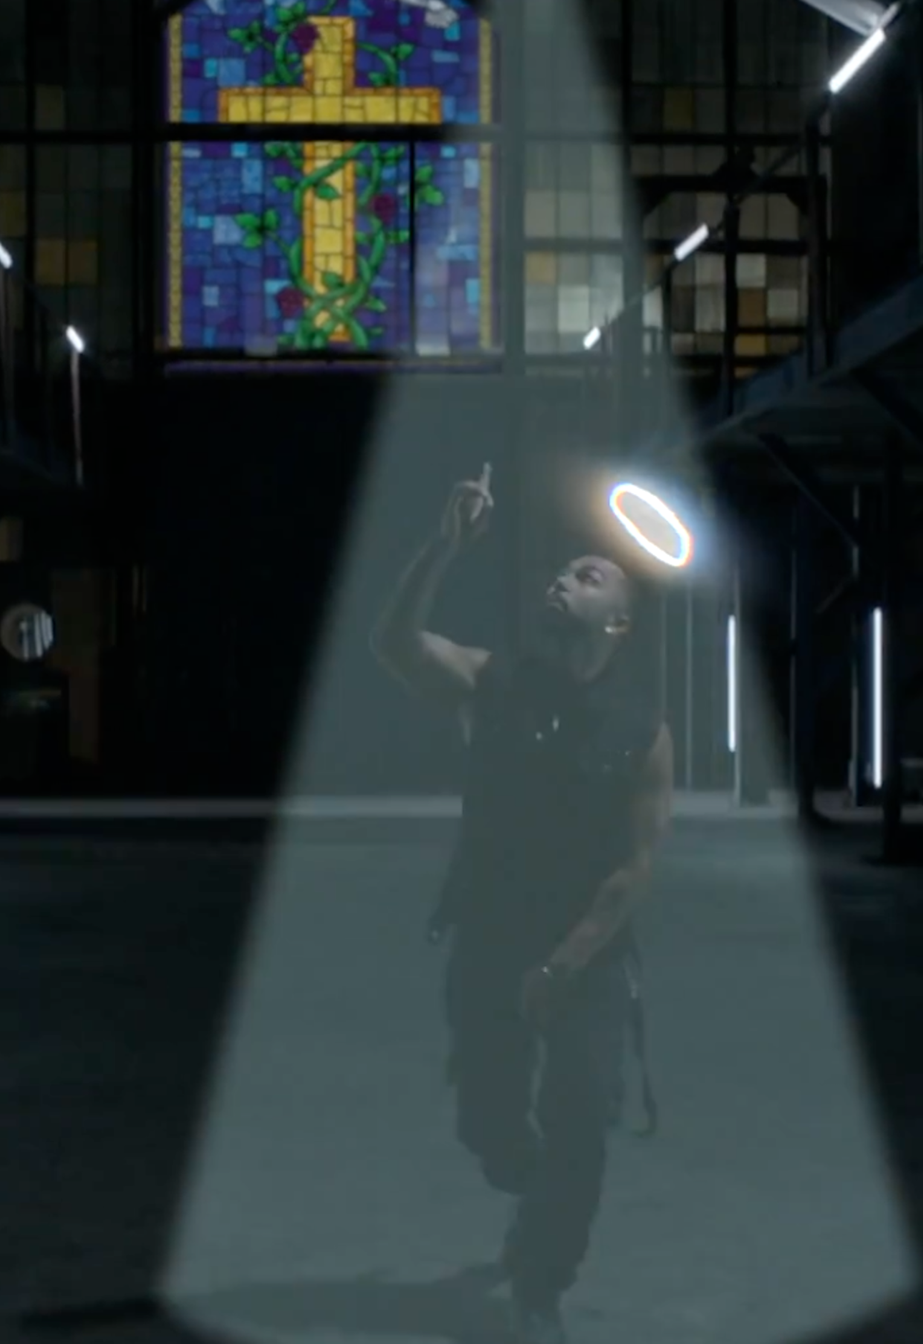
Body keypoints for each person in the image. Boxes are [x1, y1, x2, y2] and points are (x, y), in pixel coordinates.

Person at [370, 465, 675, 1344]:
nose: (562, 578)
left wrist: (562, 966)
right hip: (491, 938)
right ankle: (530, 1186)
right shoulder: (494, 681)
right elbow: (395, 645)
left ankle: (541, 1277)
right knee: (495, 1133)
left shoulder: (642, 730)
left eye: (588, 576)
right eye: (560, 570)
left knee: (583, 1122)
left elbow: (631, 871)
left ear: (617, 620)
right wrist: (442, 549)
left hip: (585, 952)